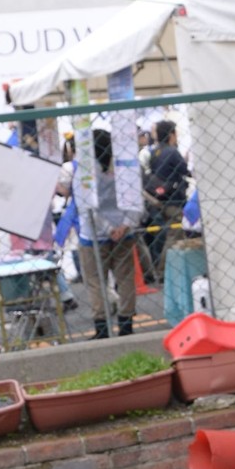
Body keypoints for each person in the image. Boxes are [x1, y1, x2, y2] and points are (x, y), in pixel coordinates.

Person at [78, 129, 141, 338]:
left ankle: (102, 327)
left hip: (94, 235)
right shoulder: (125, 167)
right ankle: (126, 324)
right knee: (125, 279)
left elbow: (86, 206)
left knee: (96, 282)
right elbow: (135, 199)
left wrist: (107, 228)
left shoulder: (85, 172)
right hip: (124, 232)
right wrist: (125, 225)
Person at [142, 118, 189, 278]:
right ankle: (163, 271)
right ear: (171, 135)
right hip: (174, 200)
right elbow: (184, 170)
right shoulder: (172, 152)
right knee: (174, 236)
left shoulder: (155, 152)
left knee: (172, 234)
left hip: (161, 200)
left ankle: (172, 269)